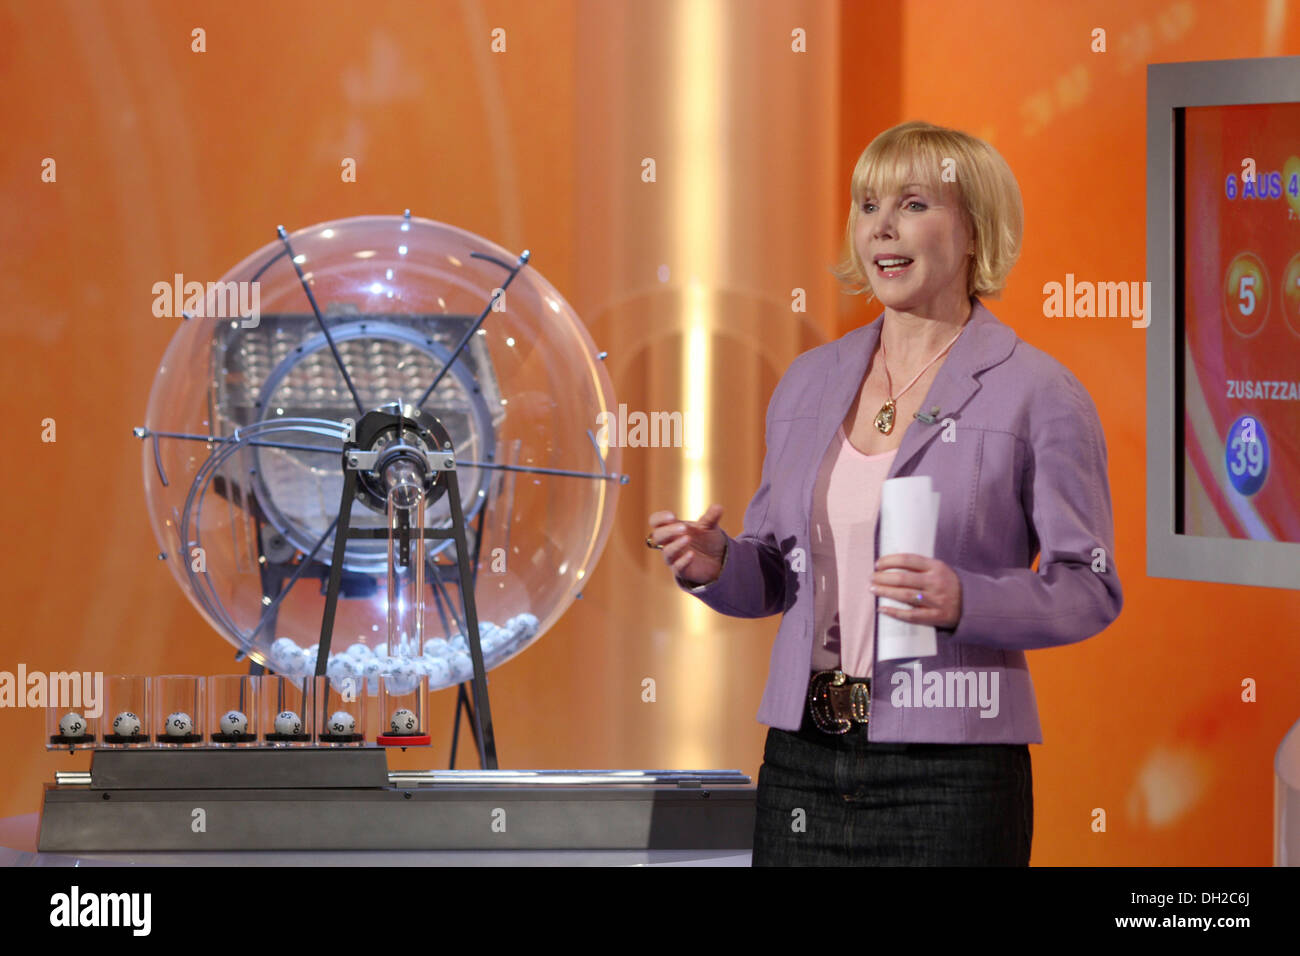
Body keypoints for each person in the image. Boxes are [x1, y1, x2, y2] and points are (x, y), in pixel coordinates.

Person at [645, 120, 1122, 866]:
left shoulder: (1041, 393)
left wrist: (970, 600)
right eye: (868, 207)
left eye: (913, 204)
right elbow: (775, 574)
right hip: (802, 759)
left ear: (973, 232)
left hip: (951, 775)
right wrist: (715, 564)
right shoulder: (810, 380)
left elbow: (1088, 586)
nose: (883, 229)